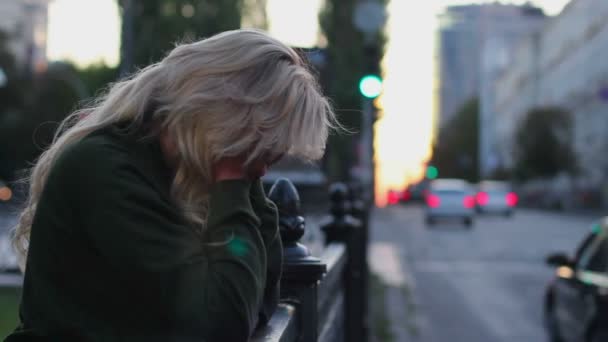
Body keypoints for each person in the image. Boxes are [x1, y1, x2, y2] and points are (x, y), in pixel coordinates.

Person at [5, 29, 337, 342]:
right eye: (261, 151)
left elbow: (260, 302)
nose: (263, 169)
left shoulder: (177, 173)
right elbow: (225, 324)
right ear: (231, 121)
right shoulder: (107, 169)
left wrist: (243, 180)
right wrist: (235, 179)